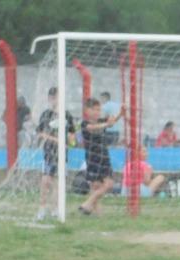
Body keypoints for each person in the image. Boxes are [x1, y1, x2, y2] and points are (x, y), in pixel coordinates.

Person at [35, 86, 75, 222]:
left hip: (63, 154)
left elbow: (71, 134)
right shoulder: (46, 114)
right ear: (49, 98)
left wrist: (71, 140)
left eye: (58, 97)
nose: (55, 100)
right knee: (46, 181)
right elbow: (40, 133)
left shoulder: (67, 114)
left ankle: (55, 209)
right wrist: (55, 139)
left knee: (59, 182)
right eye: (53, 97)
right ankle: (41, 208)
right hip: (49, 153)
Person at [78, 96, 121, 215]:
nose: (97, 112)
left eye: (99, 110)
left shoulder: (102, 121)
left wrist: (121, 113)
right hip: (93, 158)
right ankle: (97, 214)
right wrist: (107, 124)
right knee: (96, 187)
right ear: (87, 110)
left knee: (109, 184)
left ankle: (87, 204)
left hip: (104, 157)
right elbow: (92, 128)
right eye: (94, 109)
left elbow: (112, 121)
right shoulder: (84, 123)